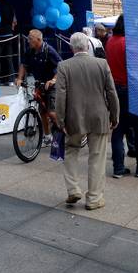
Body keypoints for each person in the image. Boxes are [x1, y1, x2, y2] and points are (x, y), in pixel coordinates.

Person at [54, 32, 119, 210]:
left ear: (71, 47)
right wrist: (114, 115)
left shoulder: (63, 66)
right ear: (88, 46)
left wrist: (60, 121)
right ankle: (94, 198)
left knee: (71, 151)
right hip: (99, 117)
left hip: (73, 118)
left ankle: (73, 189)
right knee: (97, 157)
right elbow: (111, 93)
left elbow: (60, 97)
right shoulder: (101, 64)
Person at [106, 15, 138, 177]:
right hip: (133, 90)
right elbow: (136, 70)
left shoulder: (110, 41)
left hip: (115, 89)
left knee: (117, 129)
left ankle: (118, 168)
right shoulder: (129, 44)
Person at [15, 29, 61, 142]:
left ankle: (65, 133)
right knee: (42, 112)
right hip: (39, 83)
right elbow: (23, 64)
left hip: (51, 84)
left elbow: (61, 66)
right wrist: (20, 79)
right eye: (28, 38)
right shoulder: (29, 51)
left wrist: (53, 80)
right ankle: (47, 136)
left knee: (51, 112)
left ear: (39, 40)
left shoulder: (49, 50)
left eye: (30, 39)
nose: (28, 41)